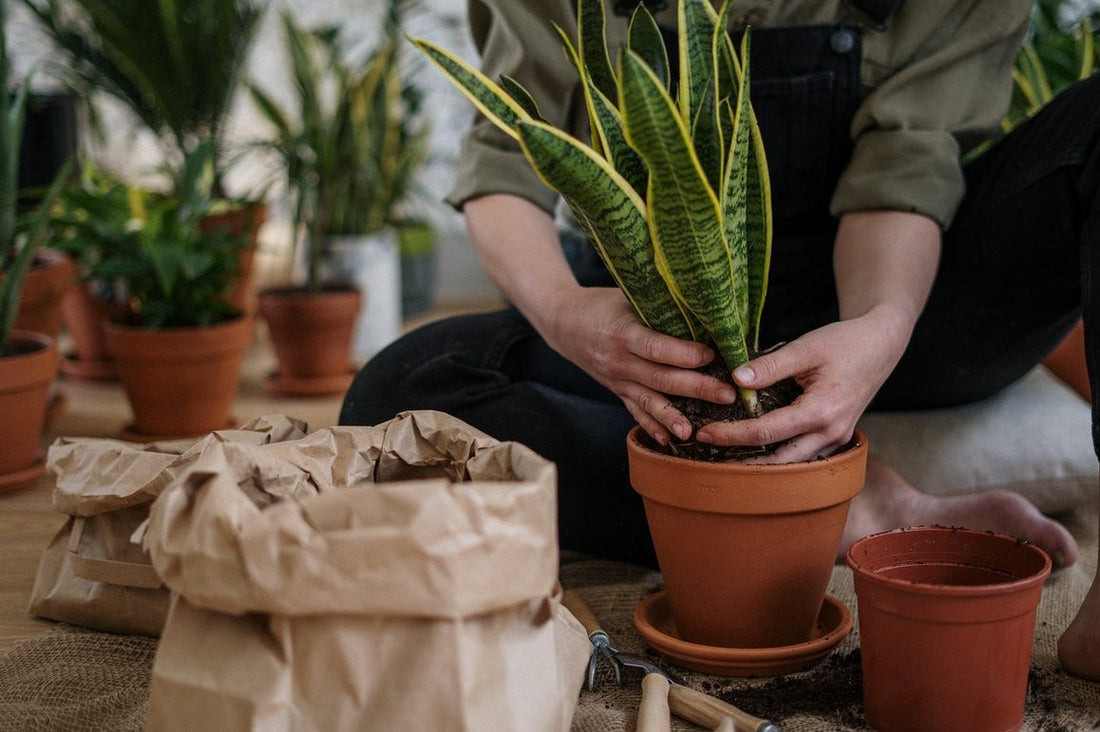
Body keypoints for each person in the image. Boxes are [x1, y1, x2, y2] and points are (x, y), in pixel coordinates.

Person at [340, 0, 1100, 680]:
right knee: (401, 391)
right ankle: (845, 505)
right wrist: (569, 314)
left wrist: (880, 328)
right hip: (667, 337)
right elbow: (508, 161)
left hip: (908, 304)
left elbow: (904, 170)